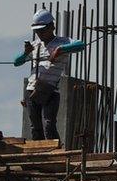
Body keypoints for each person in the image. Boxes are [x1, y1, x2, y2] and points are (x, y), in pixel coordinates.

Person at [13, 9, 86, 141]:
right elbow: (16, 62)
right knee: (35, 127)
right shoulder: (35, 46)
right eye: (37, 31)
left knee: (49, 124)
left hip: (50, 90)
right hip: (32, 90)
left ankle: (55, 151)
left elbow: (81, 45)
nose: (39, 34)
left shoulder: (62, 42)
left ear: (51, 27)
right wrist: (25, 54)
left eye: (42, 30)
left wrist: (60, 50)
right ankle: (38, 153)